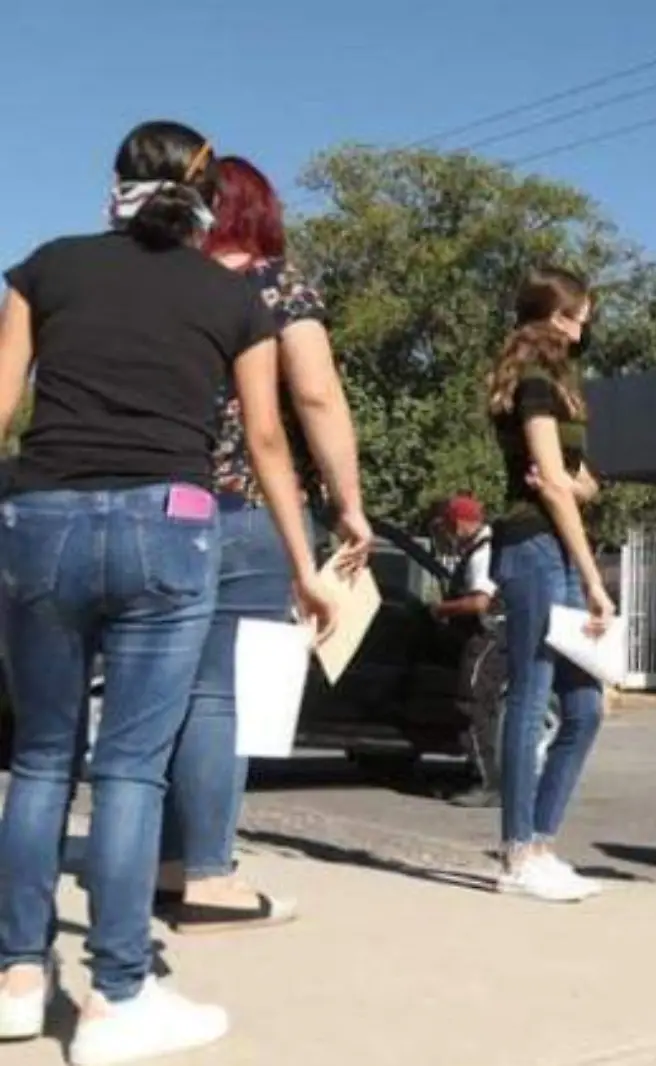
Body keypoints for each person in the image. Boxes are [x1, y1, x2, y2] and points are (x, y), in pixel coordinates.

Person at [0, 121, 336, 1065]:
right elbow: (268, 442)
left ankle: (17, 980)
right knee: (129, 771)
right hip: (172, 522)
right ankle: (116, 997)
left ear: (111, 181)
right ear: (204, 192)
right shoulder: (230, 296)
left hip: (43, 518)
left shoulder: (44, 269)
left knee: (38, 763)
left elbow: (0, 409)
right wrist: (304, 565)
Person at [156, 155, 372, 936]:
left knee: (163, 696)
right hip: (247, 508)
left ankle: (163, 863)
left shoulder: (162, 282)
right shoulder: (274, 284)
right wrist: (349, 504)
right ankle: (209, 877)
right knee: (223, 696)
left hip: (156, 506)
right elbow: (314, 392)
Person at [487, 266, 615, 902]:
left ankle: (540, 840)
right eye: (580, 317)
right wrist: (594, 576)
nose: (584, 329)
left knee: (586, 707)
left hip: (556, 546)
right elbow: (552, 484)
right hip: (534, 547)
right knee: (533, 694)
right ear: (557, 318)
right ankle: (517, 852)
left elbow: (580, 480)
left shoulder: (561, 387)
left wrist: (574, 482)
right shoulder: (533, 383)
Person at [431, 494, 506, 809]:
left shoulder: (482, 553)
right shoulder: (481, 547)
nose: (446, 534)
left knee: (474, 703)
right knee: (477, 704)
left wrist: (441, 609)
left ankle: (487, 783)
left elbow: (479, 602)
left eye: (447, 526)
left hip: (489, 636)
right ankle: (474, 773)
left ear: (459, 523)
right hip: (489, 635)